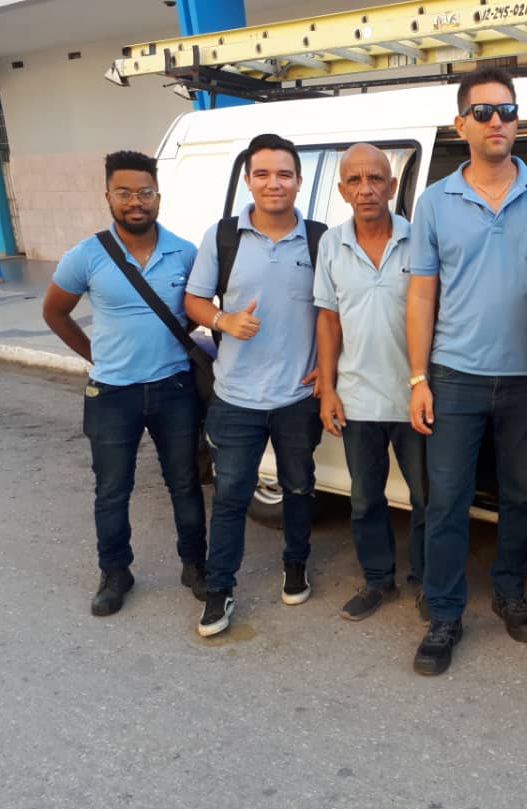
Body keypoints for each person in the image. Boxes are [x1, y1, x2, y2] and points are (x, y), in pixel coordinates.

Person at [407, 66, 527, 675]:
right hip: (454, 376)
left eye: (505, 110)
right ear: (462, 124)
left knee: (520, 496)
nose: (496, 121)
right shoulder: (435, 202)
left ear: (517, 120)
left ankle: (509, 590)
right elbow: (421, 295)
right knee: (447, 500)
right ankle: (446, 612)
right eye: (482, 112)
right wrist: (418, 378)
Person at [42, 150, 206, 616]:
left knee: (185, 483)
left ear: (158, 196)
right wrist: (96, 356)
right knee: (112, 489)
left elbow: (195, 310)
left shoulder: (184, 251)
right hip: (112, 394)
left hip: (174, 389)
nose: (136, 202)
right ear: (108, 196)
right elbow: (54, 312)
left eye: (145, 192)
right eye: (125, 193)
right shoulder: (87, 254)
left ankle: (194, 564)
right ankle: (115, 572)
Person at [184, 133, 324, 638]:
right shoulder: (222, 237)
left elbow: (333, 313)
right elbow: (194, 301)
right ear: (248, 180)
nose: (274, 183)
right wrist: (223, 322)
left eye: (283, 173)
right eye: (262, 173)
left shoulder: (318, 238)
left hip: (297, 398)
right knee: (230, 497)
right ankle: (220, 591)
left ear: (299, 181)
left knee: (300, 488)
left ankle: (296, 565)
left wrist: (327, 370)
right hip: (235, 398)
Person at [315, 143, 426, 621]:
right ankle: (377, 580)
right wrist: (327, 387)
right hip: (357, 398)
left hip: (415, 398)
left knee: (428, 498)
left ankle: (427, 580)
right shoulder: (330, 245)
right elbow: (328, 319)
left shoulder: (419, 238)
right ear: (342, 190)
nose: (366, 189)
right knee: (364, 499)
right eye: (355, 181)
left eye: (376, 178)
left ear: (393, 186)